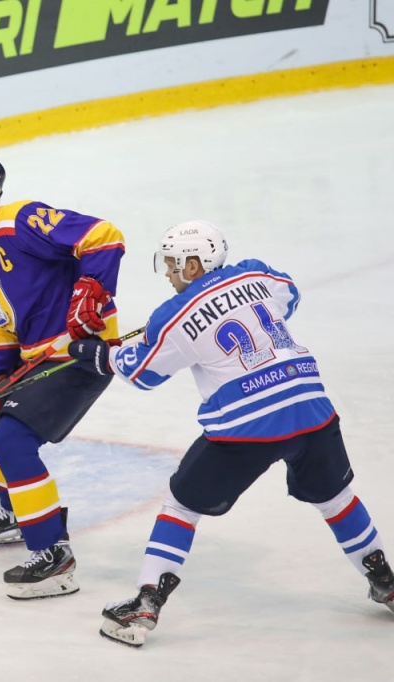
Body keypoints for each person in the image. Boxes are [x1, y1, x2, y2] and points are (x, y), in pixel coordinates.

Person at [68, 220, 394, 647]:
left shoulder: (174, 314)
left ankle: (147, 601)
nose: (167, 274)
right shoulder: (256, 273)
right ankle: (384, 580)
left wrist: (99, 356)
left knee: (181, 506)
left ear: (194, 263)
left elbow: (144, 374)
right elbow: (288, 296)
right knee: (336, 498)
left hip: (247, 423)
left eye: (172, 264)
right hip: (310, 405)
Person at [0, 151, 126, 599]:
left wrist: (91, 290)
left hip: (79, 353)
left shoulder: (21, 220)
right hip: (36, 358)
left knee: (12, 440)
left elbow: (103, 236)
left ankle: (55, 557)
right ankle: (20, 512)